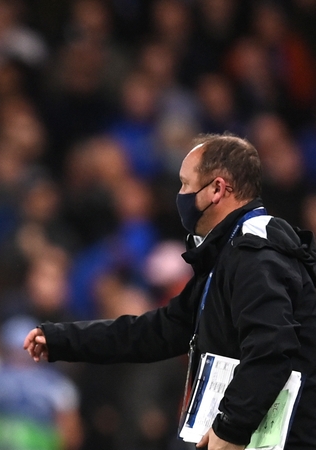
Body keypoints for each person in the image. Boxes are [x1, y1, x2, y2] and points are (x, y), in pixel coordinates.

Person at [24, 133, 316, 450]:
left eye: (186, 184)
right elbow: (156, 332)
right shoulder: (226, 256)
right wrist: (62, 339)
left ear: (217, 189)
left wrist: (233, 427)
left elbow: (271, 348)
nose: (180, 195)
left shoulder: (255, 254)